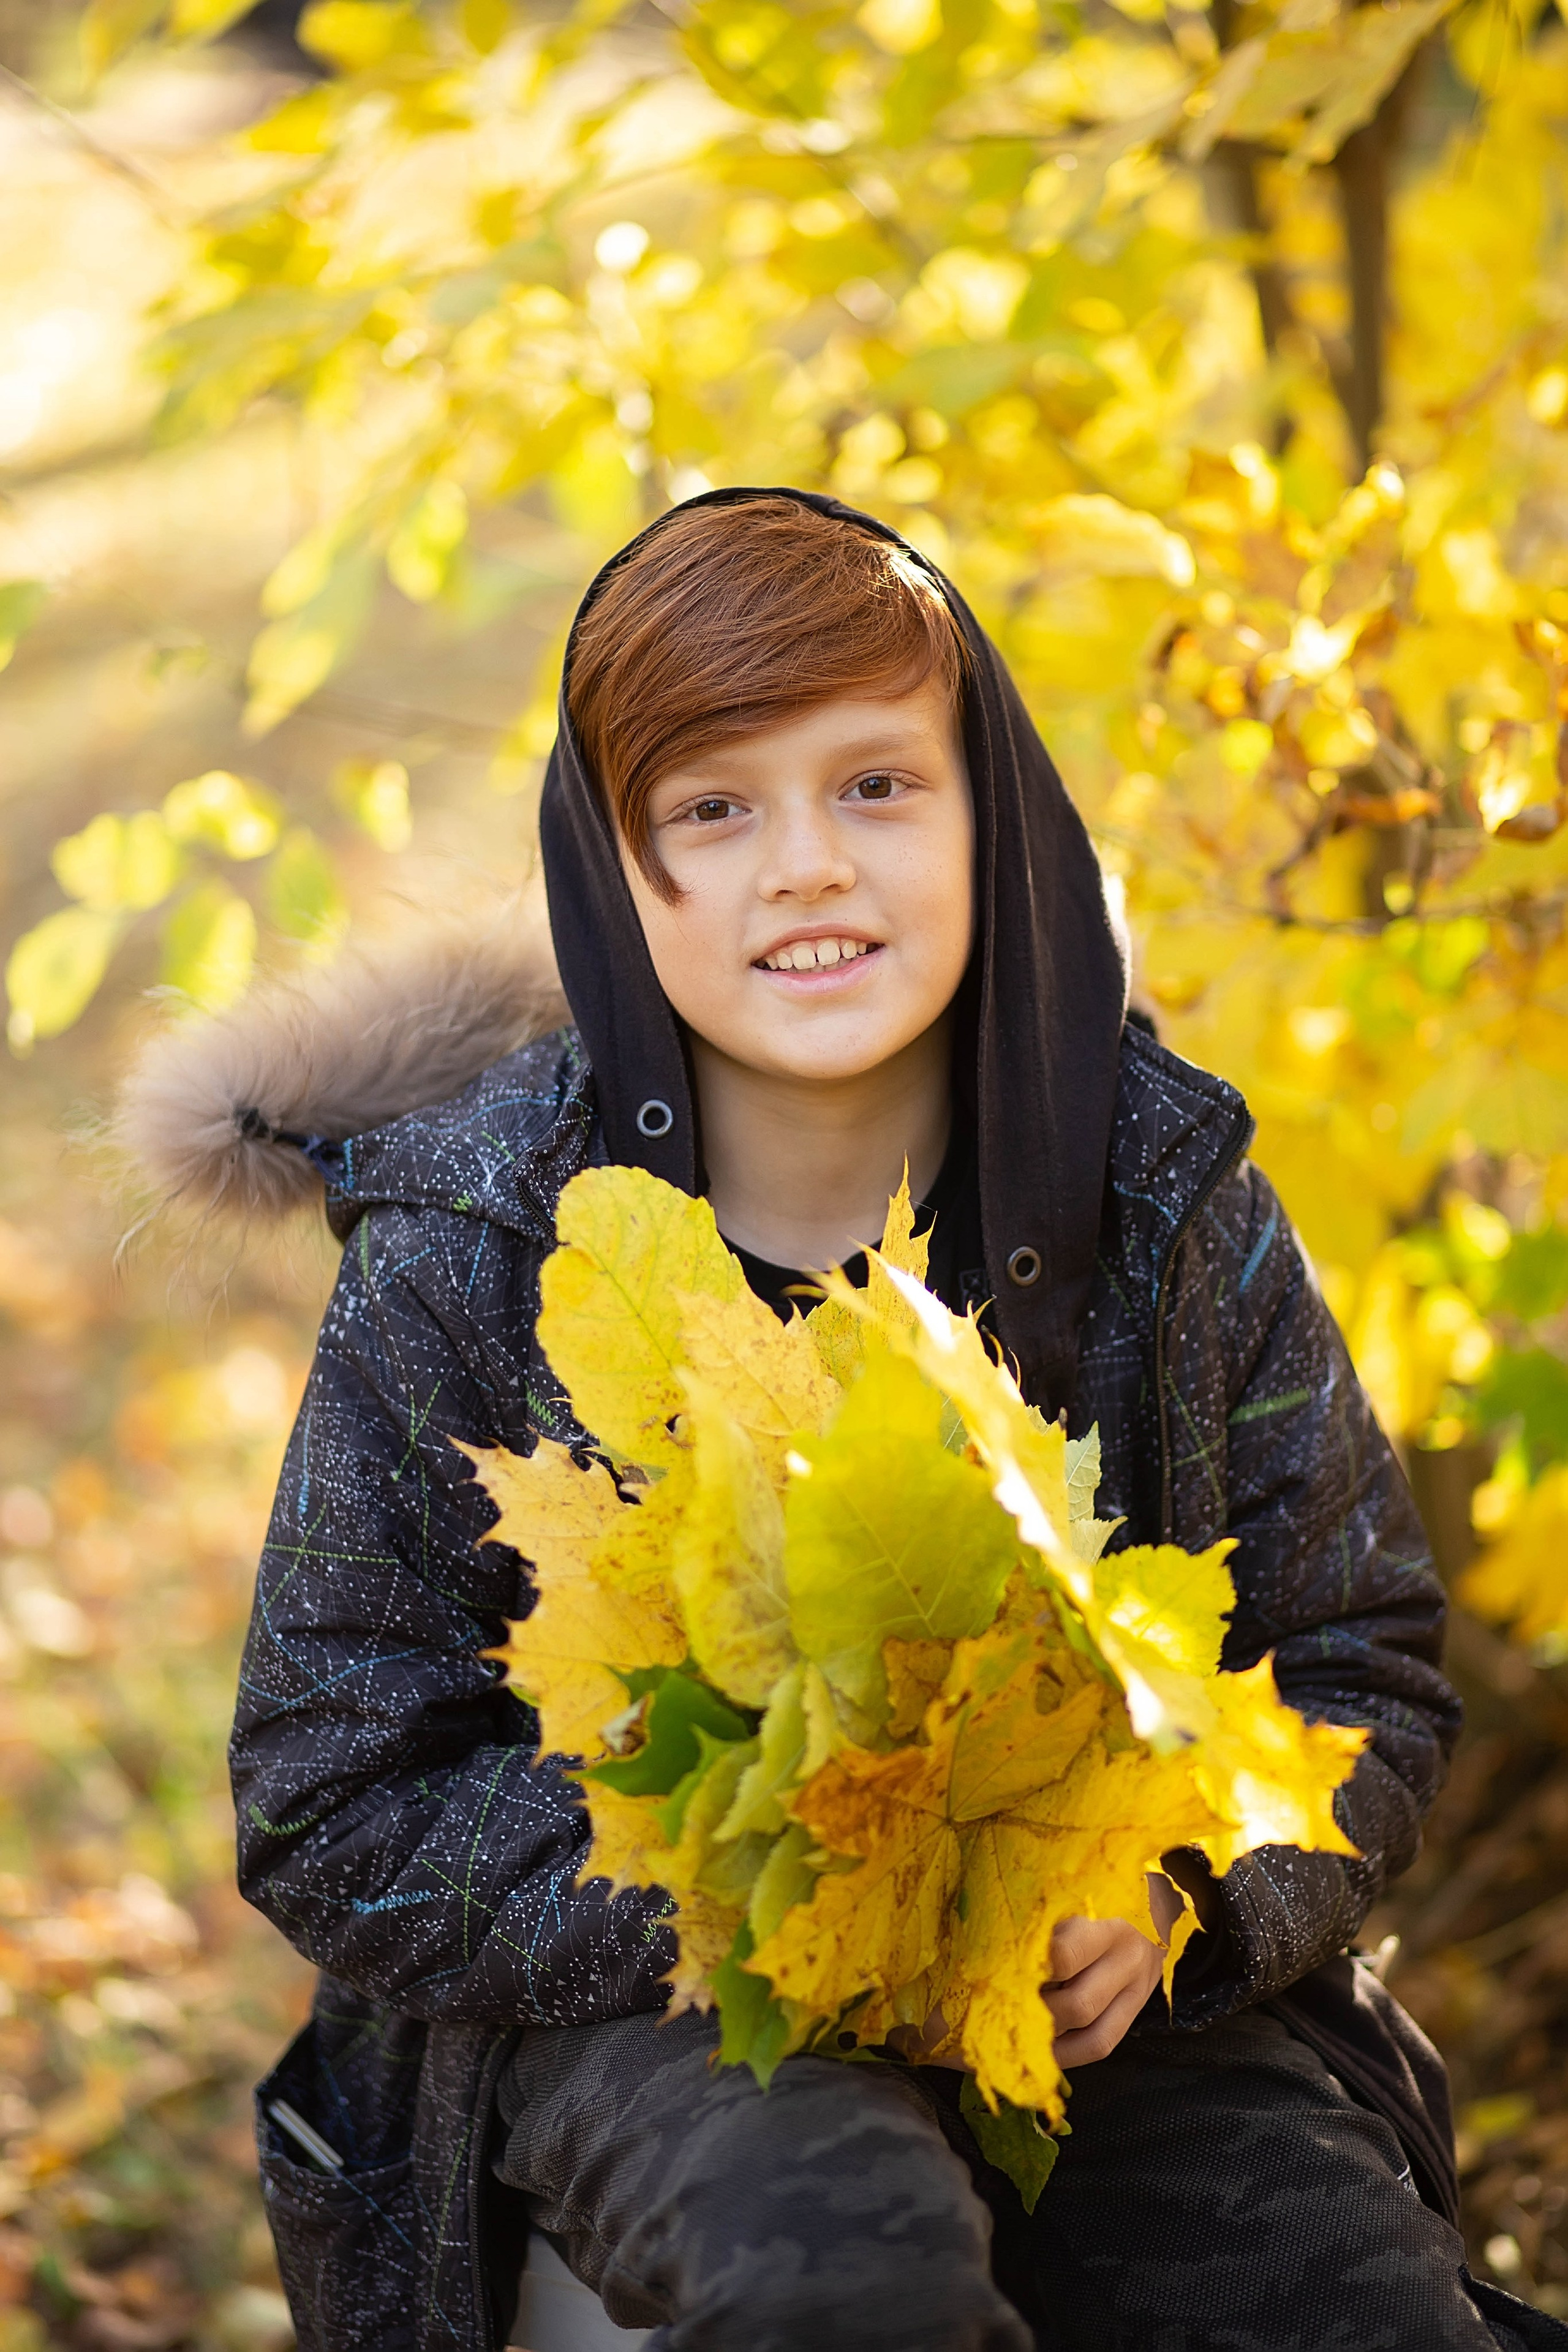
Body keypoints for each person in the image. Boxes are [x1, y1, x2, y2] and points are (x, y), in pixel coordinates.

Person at [123, 489, 1568, 2352]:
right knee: (846, 2270)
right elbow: (332, 1791)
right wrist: (753, 1890)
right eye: (712, 810)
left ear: (993, 817)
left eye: (877, 785)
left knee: (1340, 2308)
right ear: (614, 875)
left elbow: (1355, 1657)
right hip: (657, 2012)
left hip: (1094, 1983)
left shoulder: (1164, 1191)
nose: (806, 866)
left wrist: (1179, 1891)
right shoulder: (470, 1244)